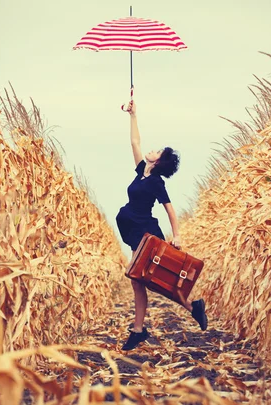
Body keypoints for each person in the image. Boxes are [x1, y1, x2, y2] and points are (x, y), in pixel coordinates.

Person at [116, 100, 208, 351]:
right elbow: (135, 143)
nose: (151, 150)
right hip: (136, 231)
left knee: (154, 279)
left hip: (146, 233)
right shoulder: (141, 172)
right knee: (139, 280)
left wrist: (176, 235)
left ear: (159, 162)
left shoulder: (156, 182)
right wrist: (133, 115)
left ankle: (184, 310)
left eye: (156, 151)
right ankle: (140, 329)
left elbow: (169, 208)